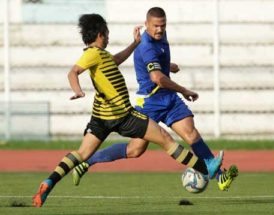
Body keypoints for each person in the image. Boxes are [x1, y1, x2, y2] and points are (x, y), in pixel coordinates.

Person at [32, 13, 223, 208]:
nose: (108, 37)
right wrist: (78, 90)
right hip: (123, 115)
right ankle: (206, 167)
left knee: (81, 153)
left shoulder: (101, 55)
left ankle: (49, 182)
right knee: (166, 140)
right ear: (100, 34)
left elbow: (117, 59)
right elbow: (73, 72)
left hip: (100, 118)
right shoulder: (91, 54)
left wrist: (134, 44)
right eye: (106, 34)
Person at [72, 7, 238, 191]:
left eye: (163, 25)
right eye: (155, 26)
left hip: (168, 98)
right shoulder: (146, 45)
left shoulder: (161, 36)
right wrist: (184, 90)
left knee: (191, 133)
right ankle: (87, 162)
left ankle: (219, 176)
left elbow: (157, 65)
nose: (160, 29)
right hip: (150, 102)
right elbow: (157, 78)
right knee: (135, 150)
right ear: (146, 25)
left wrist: (168, 65)